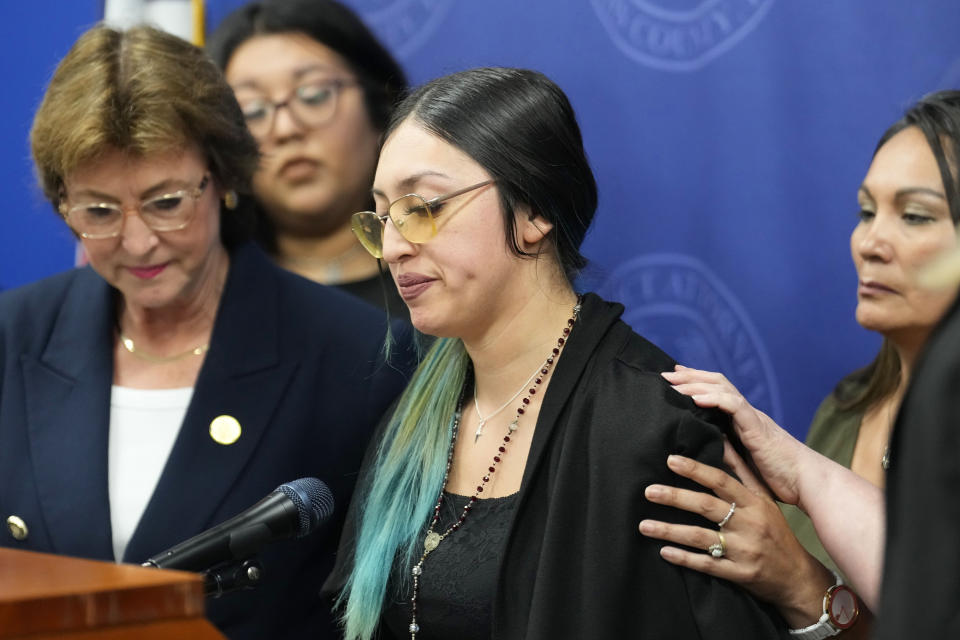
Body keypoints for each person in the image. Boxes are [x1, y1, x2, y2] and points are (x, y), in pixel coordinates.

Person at [321, 67, 789, 640]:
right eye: (383, 217)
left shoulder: (656, 426)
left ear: (534, 210)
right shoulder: (413, 419)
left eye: (421, 207)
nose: (393, 247)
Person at [0, 25, 411, 640]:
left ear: (224, 179)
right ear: (63, 202)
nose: (137, 243)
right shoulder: (15, 334)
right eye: (100, 212)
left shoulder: (363, 357)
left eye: (167, 203)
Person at [637, 90, 960, 638]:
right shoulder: (846, 408)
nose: (870, 242)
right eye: (865, 211)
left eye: (914, 215)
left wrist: (802, 583)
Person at [207, 0, 409, 317]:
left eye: (313, 95)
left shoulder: (442, 280)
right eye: (253, 111)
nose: (287, 129)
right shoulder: (212, 302)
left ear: (381, 107)